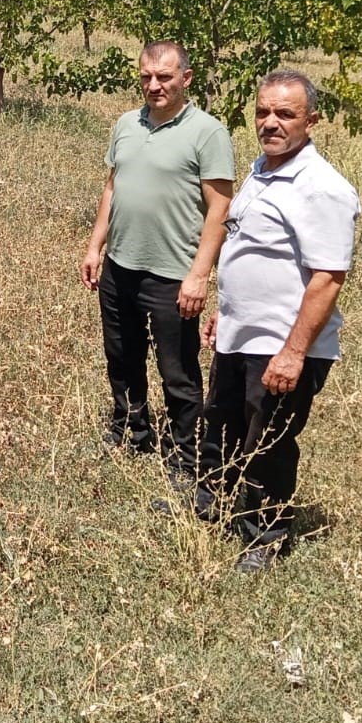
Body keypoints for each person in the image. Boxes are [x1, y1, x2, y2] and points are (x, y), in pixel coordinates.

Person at [196, 69, 360, 572]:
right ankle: (212, 508)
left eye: (285, 114)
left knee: (267, 442)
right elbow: (251, 247)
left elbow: (328, 278)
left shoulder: (323, 189)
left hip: (284, 344)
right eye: (263, 112)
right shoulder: (262, 170)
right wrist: (227, 311)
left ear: (312, 120)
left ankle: (265, 536)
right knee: (221, 425)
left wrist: (293, 352)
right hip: (241, 334)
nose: (270, 122)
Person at [79, 42, 234, 484]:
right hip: (120, 266)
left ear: (185, 79)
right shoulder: (127, 124)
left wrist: (200, 275)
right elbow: (112, 186)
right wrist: (95, 247)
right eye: (147, 76)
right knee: (122, 356)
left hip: (173, 274)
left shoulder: (208, 133)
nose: (154, 85)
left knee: (177, 370)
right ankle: (132, 430)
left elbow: (219, 209)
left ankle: (187, 458)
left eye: (164, 77)